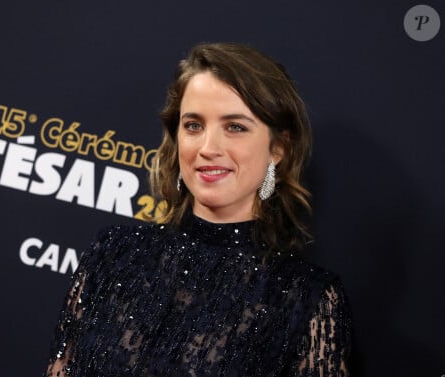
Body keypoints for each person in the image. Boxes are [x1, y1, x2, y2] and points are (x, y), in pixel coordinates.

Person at [44, 42, 352, 377]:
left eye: (235, 127)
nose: (208, 148)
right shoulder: (113, 254)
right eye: (194, 125)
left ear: (277, 148)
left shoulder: (305, 299)